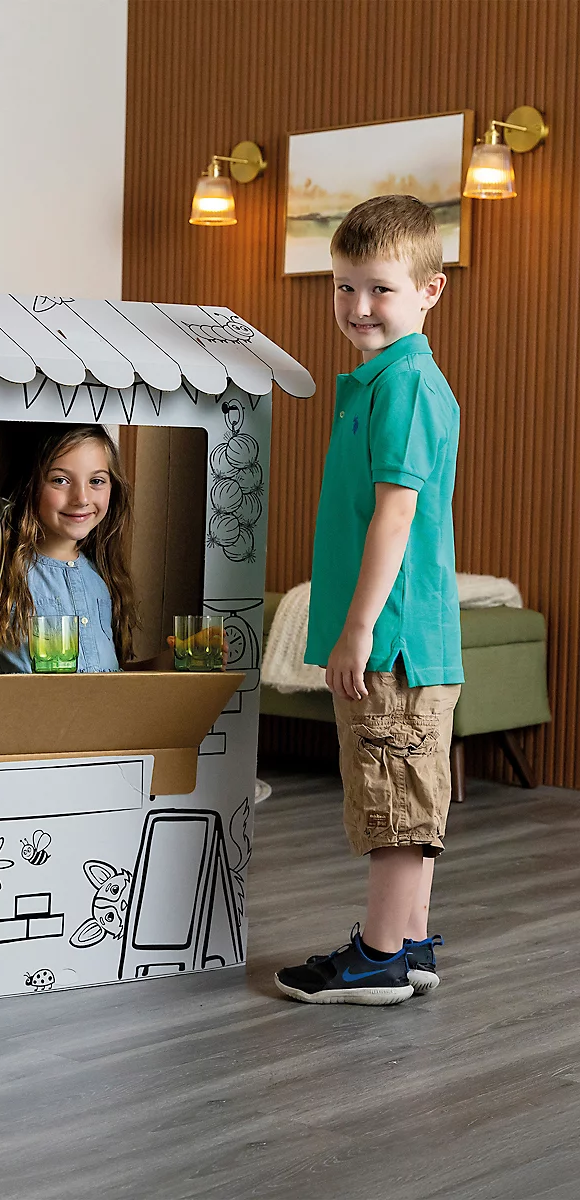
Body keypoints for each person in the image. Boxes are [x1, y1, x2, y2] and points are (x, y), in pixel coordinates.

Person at [275, 195, 463, 1006]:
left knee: (390, 799)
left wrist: (356, 630)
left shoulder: (407, 386)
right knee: (410, 790)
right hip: (404, 638)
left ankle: (378, 958)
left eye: (379, 289)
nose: (358, 306)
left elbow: (396, 514)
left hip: (392, 640)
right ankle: (409, 943)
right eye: (344, 287)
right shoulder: (380, 382)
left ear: (429, 290)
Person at [0, 424, 142, 676]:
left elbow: (110, 674)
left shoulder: (103, 573)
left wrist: (166, 660)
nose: (82, 498)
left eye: (96, 481)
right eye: (60, 480)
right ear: (31, 485)